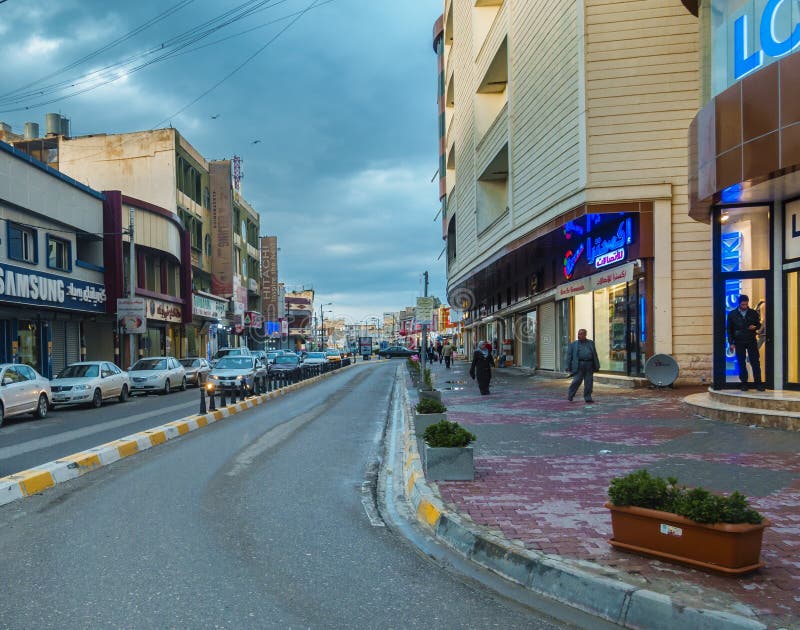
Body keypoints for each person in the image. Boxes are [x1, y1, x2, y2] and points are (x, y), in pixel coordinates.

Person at [727, 294, 764, 391]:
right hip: (739, 341)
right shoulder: (732, 314)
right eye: (743, 305)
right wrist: (731, 343)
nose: (744, 306)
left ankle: (758, 383)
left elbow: (759, 325)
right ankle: (744, 383)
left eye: (746, 304)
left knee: (755, 362)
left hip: (751, 340)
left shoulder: (753, 313)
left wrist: (755, 327)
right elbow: (729, 330)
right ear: (739, 304)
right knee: (741, 362)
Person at [567, 329, 600, 403]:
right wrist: (568, 366)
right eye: (578, 334)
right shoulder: (573, 344)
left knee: (589, 382)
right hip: (579, 365)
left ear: (585, 335)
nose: (579, 336)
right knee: (576, 381)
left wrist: (597, 365)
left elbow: (595, 354)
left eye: (581, 334)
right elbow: (569, 356)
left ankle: (588, 397)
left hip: (589, 365)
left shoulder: (591, 343)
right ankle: (570, 395)